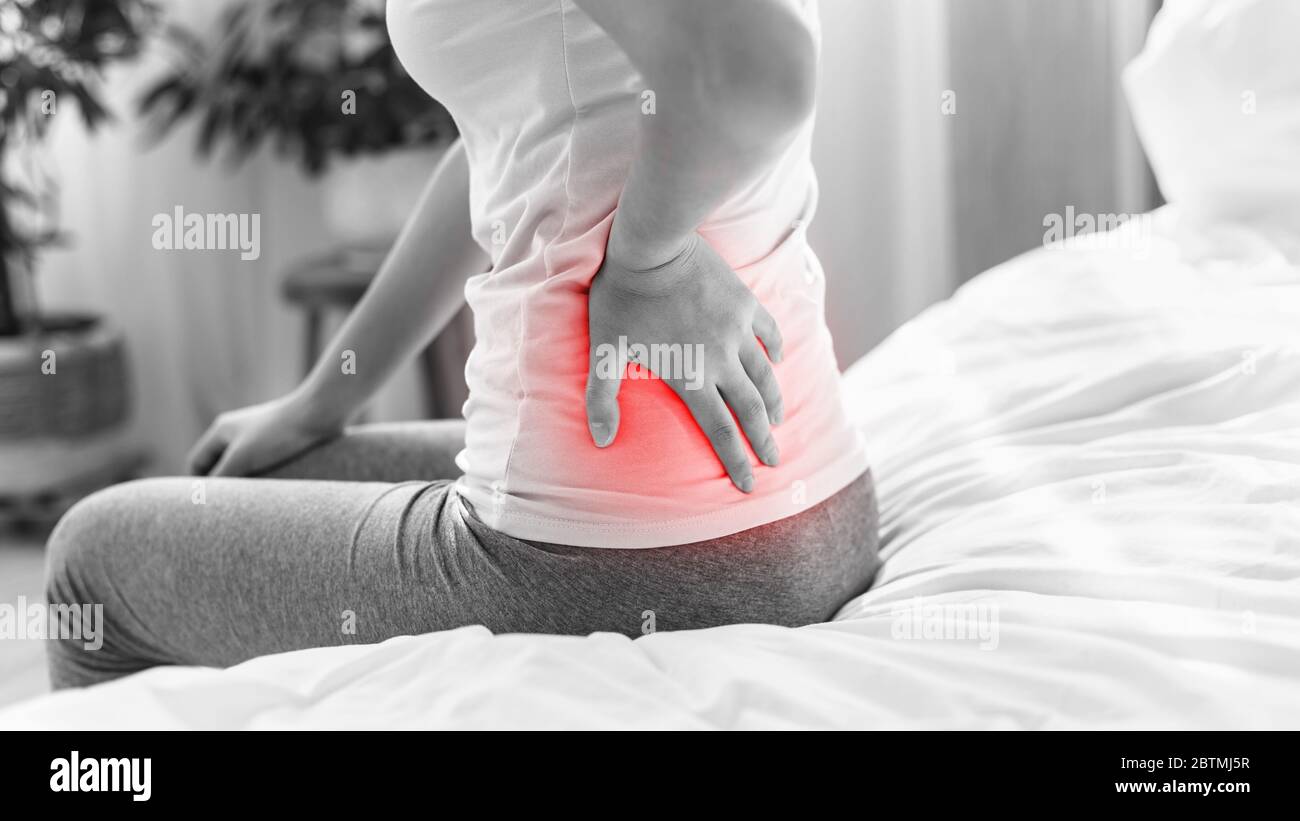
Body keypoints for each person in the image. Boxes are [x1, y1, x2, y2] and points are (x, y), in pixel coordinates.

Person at [45, 0, 878, 688]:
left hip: (609, 548)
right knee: (247, 472)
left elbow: (759, 69)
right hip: (817, 502)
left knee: (94, 558)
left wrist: (651, 260)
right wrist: (319, 403)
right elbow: (511, 137)